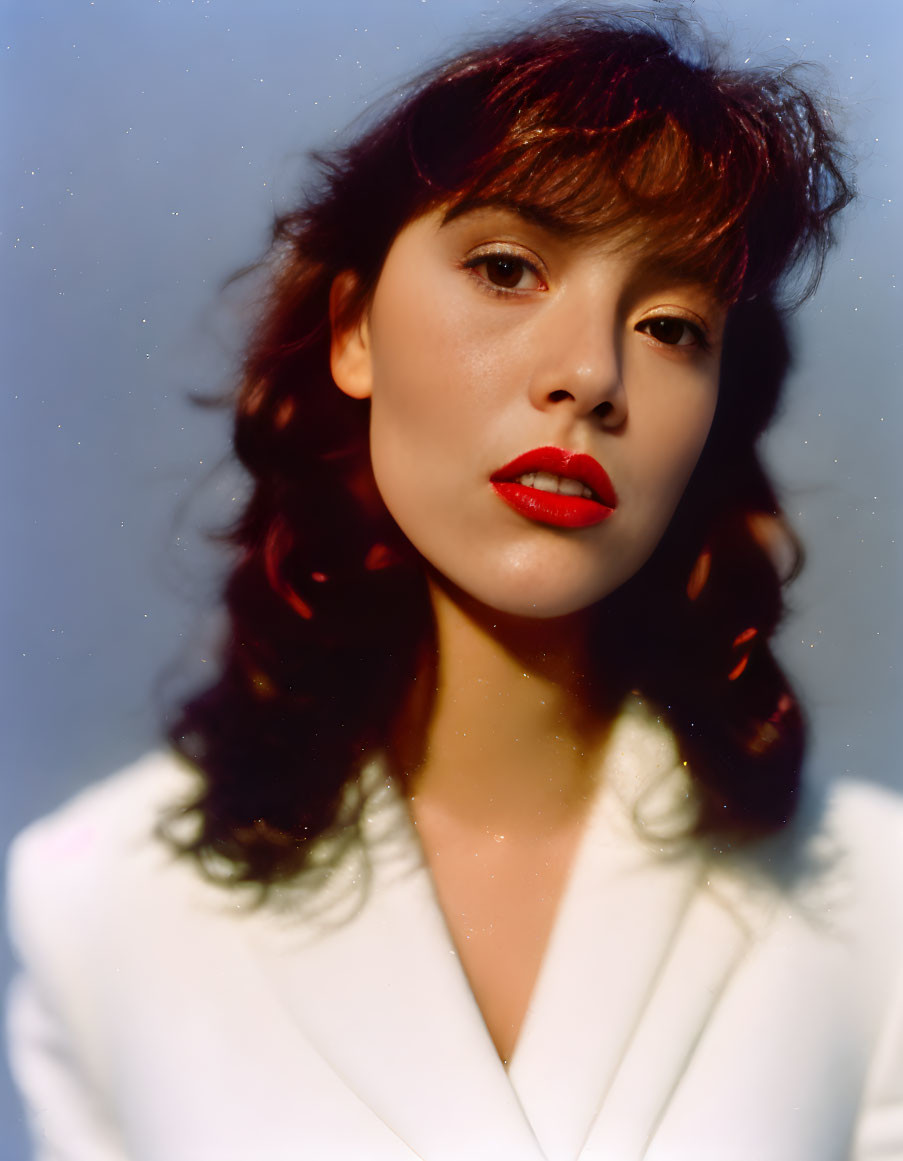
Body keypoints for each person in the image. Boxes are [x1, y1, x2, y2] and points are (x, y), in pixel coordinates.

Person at [7, 9, 902, 1160]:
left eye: (672, 324)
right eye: (506, 268)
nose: (589, 372)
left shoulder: (877, 910)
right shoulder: (99, 909)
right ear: (355, 332)